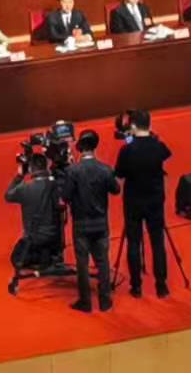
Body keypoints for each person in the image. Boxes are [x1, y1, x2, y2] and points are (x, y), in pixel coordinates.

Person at [114, 109, 173, 298]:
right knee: (158, 242)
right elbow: (165, 153)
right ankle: (161, 285)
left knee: (133, 242)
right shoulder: (158, 146)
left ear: (132, 126)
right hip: (155, 201)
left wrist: (129, 141)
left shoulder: (127, 150)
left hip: (133, 202)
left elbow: (119, 173)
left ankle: (136, 286)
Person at [62, 129, 120, 312]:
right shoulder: (105, 169)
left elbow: (65, 197)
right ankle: (105, 301)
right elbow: (116, 190)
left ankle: (85, 302)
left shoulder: (73, 171)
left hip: (81, 224)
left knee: (82, 264)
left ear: (80, 147)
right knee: (103, 262)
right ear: (95, 147)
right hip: (101, 223)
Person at [6, 153, 64, 273]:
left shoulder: (25, 188)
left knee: (17, 257)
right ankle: (48, 256)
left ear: (31, 169)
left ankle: (37, 257)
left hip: (33, 238)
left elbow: (8, 195)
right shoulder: (55, 186)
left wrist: (19, 176)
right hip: (54, 237)